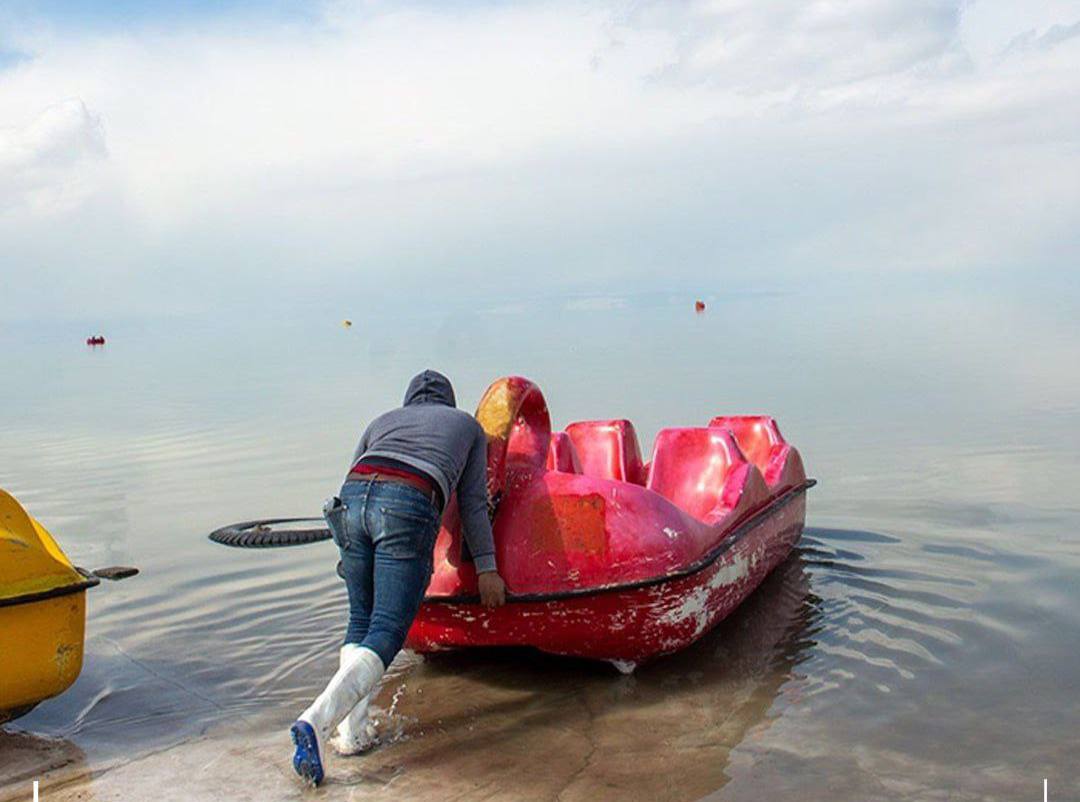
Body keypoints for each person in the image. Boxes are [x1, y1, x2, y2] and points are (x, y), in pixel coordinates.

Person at [290, 370, 506, 786]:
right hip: (407, 501)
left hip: (351, 502)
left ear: (409, 403)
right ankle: (316, 721)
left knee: (360, 619)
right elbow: (473, 504)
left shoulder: (382, 421)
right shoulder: (466, 425)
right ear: (448, 401)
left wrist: (349, 553)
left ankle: (352, 734)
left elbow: (351, 478)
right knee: (388, 629)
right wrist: (487, 568)